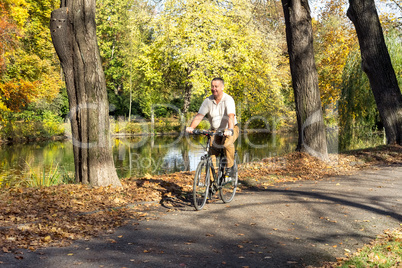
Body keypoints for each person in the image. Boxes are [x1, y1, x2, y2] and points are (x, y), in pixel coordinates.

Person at [186, 77, 239, 178]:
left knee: (227, 143)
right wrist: (191, 128)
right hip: (215, 131)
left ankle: (230, 167)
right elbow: (199, 116)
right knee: (211, 155)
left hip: (230, 128)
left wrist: (230, 130)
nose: (214, 88)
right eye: (212, 86)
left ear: (222, 87)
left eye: (216, 86)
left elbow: (231, 116)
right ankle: (210, 184)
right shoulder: (208, 101)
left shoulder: (228, 99)